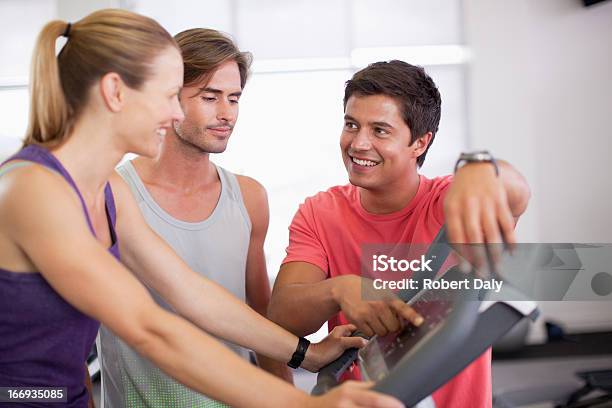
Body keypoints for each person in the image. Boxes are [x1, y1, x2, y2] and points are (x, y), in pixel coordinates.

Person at [0, 10, 405, 408]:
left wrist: (304, 354)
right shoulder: (33, 190)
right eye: (166, 96)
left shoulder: (107, 193)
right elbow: (149, 327)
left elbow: (192, 294)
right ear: (115, 92)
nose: (176, 112)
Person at [268, 60, 531, 407]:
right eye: (351, 124)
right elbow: (283, 315)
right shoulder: (320, 212)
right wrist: (339, 290)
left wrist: (480, 168)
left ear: (420, 142)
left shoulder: (452, 202)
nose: (358, 143)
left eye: (380, 130)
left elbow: (515, 193)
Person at [97, 28, 292, 407]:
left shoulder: (250, 198)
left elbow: (263, 322)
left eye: (234, 99)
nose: (226, 114)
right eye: (209, 97)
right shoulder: (111, 193)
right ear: (168, 98)